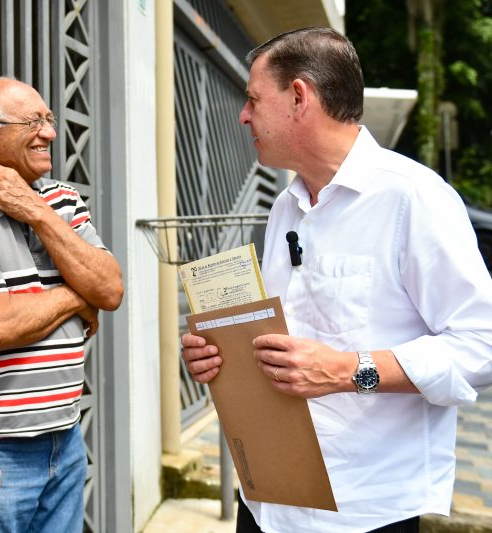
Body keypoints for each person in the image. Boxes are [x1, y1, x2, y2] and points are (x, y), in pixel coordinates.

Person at [181, 27, 492, 533]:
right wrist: (220, 354)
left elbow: (482, 344)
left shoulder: (414, 198)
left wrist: (350, 370)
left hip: (361, 511)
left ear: (299, 97)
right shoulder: (285, 207)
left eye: (253, 99)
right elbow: (286, 339)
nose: (243, 115)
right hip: (265, 502)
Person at [0, 77, 123, 532]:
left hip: (66, 438)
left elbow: (110, 290)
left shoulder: (61, 199)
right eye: (32, 122)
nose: (49, 132)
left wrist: (35, 210)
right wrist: (77, 295)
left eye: (48, 120)